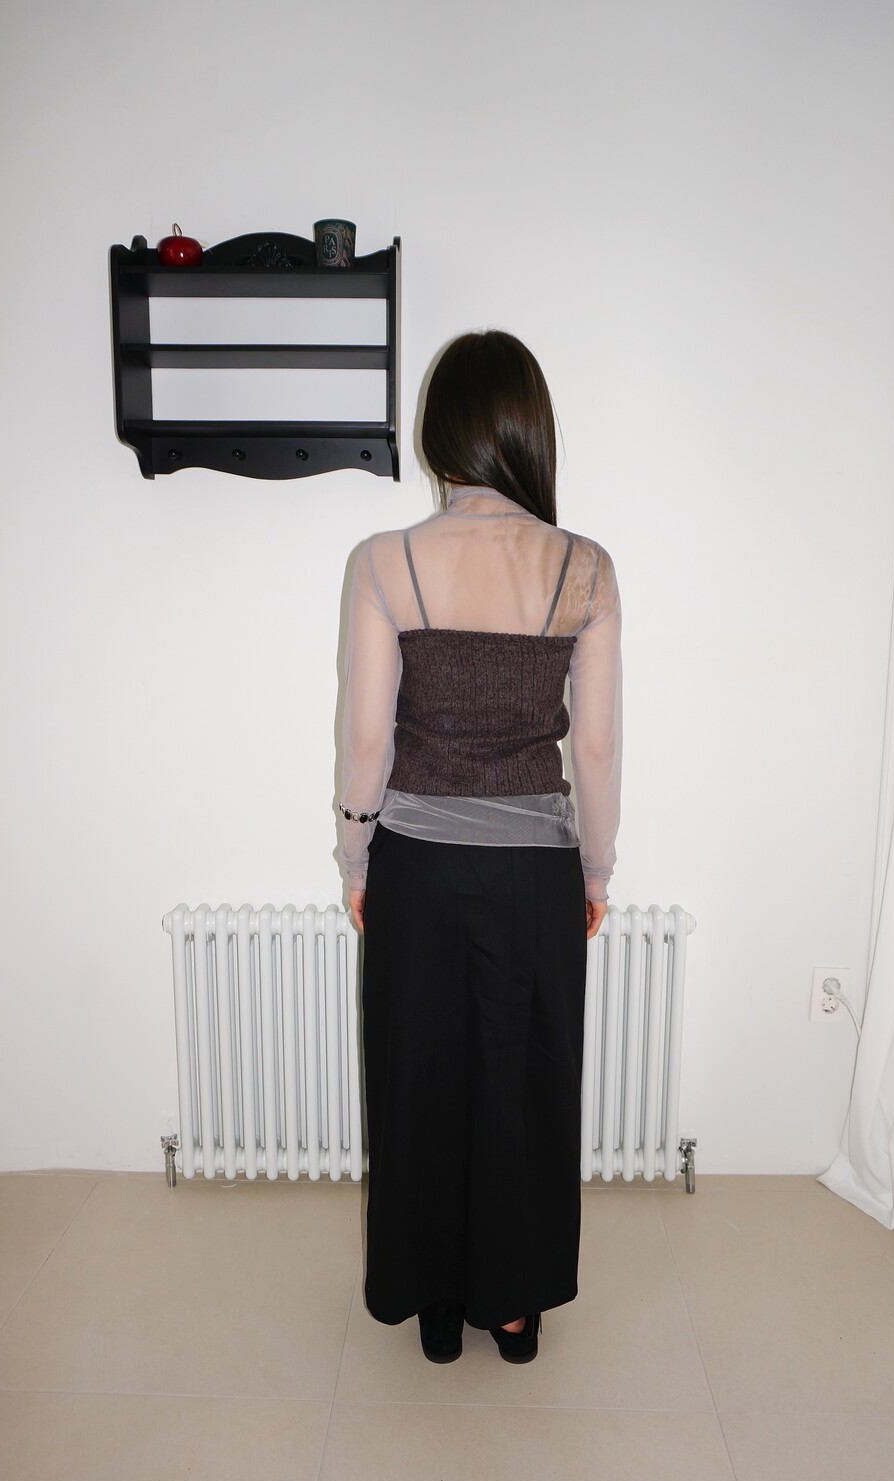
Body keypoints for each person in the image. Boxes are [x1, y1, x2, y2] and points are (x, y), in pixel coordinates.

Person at [337, 329, 622, 1365]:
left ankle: (435, 1300)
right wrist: (596, 868)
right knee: (521, 1082)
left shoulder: (383, 562)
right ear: (528, 431)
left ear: (439, 433)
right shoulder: (585, 568)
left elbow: (366, 738)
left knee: (420, 1077)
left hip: (417, 865)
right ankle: (512, 1305)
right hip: (533, 872)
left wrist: (355, 858)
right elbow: (594, 746)